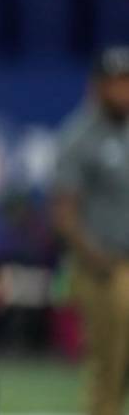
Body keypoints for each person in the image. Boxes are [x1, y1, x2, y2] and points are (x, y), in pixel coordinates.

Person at [52, 45, 129, 415]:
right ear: (98, 86)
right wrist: (97, 259)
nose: (123, 91)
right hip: (106, 268)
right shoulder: (80, 136)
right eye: (116, 82)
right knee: (110, 366)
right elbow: (64, 212)